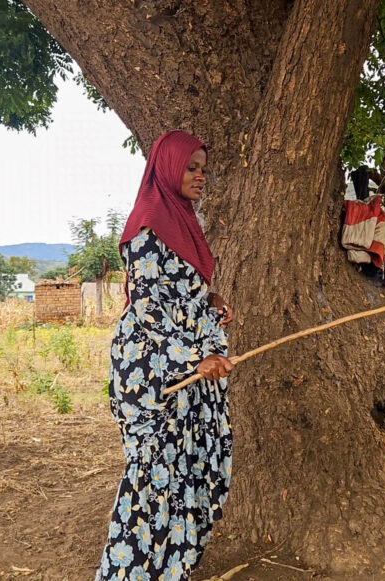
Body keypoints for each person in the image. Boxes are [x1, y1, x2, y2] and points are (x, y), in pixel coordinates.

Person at [95, 131, 236, 581]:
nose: (200, 176)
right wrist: (194, 360)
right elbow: (148, 308)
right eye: (191, 168)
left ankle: (171, 571)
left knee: (183, 477)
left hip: (185, 364)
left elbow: (177, 292)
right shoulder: (149, 222)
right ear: (170, 167)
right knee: (150, 482)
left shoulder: (181, 221)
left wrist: (209, 301)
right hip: (153, 370)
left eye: (203, 169)